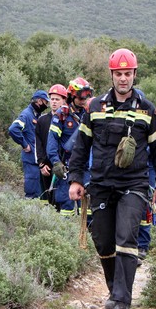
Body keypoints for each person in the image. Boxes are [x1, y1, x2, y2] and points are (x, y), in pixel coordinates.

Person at [68, 48, 156, 309]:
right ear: (112, 75)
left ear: (134, 75)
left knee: (127, 237)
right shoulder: (95, 107)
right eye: (119, 74)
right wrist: (76, 179)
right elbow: (81, 146)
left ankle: (124, 301)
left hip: (134, 184)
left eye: (128, 73)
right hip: (100, 184)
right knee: (103, 239)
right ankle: (114, 290)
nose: (123, 78)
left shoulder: (149, 110)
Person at [47, 77, 94, 217]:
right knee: (66, 205)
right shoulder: (62, 114)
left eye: (87, 95)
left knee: (88, 205)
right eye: (81, 95)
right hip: (66, 166)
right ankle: (65, 234)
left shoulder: (90, 112)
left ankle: (88, 234)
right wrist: (55, 162)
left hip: (86, 167)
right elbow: (52, 141)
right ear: (72, 95)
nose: (84, 98)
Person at [8, 90, 49, 198]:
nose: (47, 105)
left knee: (41, 194)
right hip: (31, 161)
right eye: (46, 102)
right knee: (31, 194)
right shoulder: (27, 114)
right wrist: (24, 144)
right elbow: (13, 129)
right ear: (39, 101)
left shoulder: (37, 115)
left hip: (37, 162)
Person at [37, 84, 68, 205]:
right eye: (52, 99)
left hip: (62, 165)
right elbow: (38, 144)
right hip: (47, 166)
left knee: (61, 198)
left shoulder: (68, 120)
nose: (54, 102)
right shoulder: (42, 120)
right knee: (46, 199)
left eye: (57, 99)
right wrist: (41, 164)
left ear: (64, 100)